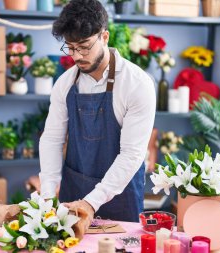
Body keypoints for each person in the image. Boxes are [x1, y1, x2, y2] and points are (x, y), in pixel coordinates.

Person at [39, 0, 156, 229]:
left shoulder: (136, 84)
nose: (77, 56)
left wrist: (91, 203)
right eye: (70, 47)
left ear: (104, 37)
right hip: (74, 192)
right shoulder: (65, 84)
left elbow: (132, 154)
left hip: (120, 197)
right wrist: (47, 192)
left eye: (84, 46)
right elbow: (52, 139)